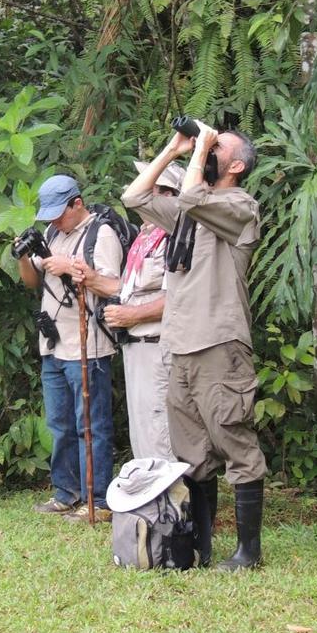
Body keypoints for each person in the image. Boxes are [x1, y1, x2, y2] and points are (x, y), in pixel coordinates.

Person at [122, 121, 265, 570]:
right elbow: (136, 199)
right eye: (210, 141)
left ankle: (248, 553)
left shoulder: (240, 206)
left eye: (220, 146)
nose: (209, 147)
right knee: (193, 455)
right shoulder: (189, 212)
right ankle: (200, 548)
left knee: (235, 444)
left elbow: (193, 196)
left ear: (236, 165)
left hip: (219, 343)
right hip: (180, 346)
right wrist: (174, 148)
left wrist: (200, 149)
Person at [17, 175, 122, 523]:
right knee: (59, 424)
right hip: (53, 345)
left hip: (88, 345)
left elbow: (114, 286)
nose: (53, 222)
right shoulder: (51, 234)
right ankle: (66, 492)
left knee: (91, 425)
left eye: (58, 215)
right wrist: (22, 257)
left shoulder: (100, 233)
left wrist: (74, 269)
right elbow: (33, 281)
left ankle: (100, 500)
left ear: (77, 203)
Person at [103, 161, 185, 462]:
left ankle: (168, 507)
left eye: (152, 188)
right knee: (142, 431)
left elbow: (178, 297)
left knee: (159, 429)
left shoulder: (175, 236)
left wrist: (132, 316)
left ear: (167, 194)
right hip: (136, 347)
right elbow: (128, 289)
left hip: (157, 347)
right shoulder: (144, 236)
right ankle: (152, 506)